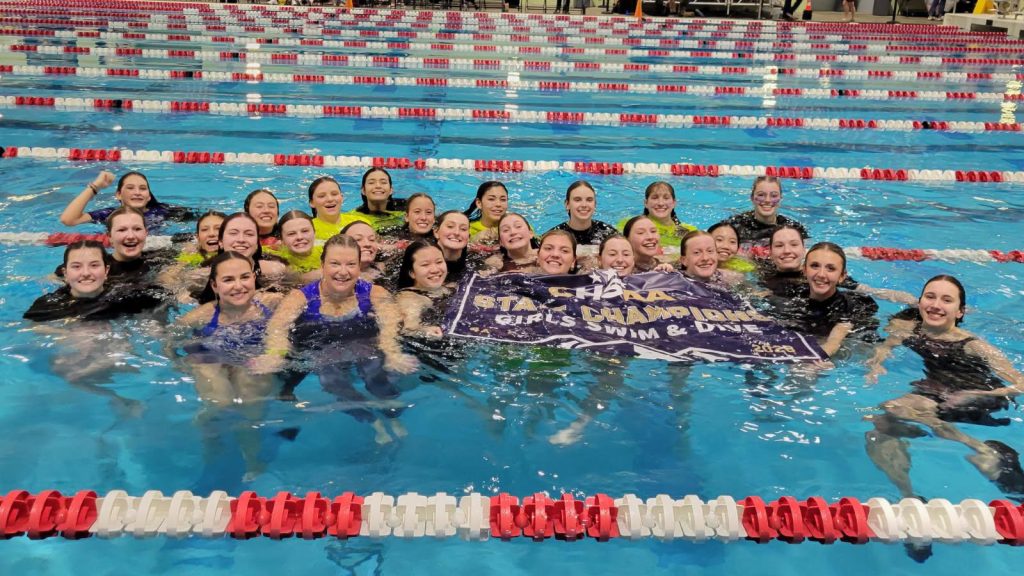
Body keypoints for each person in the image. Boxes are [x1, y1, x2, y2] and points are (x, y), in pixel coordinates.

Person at [865, 275, 1024, 504]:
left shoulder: (974, 345)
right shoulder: (909, 329)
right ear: (919, 302)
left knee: (894, 407)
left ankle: (983, 450)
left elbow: (1020, 383)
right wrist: (878, 363)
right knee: (878, 430)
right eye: (930, 297)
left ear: (960, 312)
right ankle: (910, 497)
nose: (936, 305)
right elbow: (888, 345)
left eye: (947, 300)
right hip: (938, 391)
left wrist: (978, 394)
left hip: (977, 395)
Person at [251, 235, 417, 444]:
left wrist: (392, 353)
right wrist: (274, 354)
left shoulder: (374, 293)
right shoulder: (301, 297)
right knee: (331, 381)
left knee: (376, 376)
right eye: (335, 264)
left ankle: (392, 418)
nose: (343, 271)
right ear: (322, 265)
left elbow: (391, 324)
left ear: (359, 267)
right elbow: (277, 326)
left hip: (364, 345)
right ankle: (372, 420)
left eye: (350, 264)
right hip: (323, 348)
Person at [175, 251, 283, 482]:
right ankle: (207, 425)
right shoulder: (200, 316)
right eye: (228, 280)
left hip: (249, 354)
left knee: (251, 402)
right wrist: (181, 366)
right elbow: (169, 343)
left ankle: (252, 456)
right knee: (220, 401)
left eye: (245, 277)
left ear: (255, 277)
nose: (238, 286)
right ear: (214, 285)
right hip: (209, 355)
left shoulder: (272, 303)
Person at [25, 240, 167, 409]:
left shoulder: (126, 295)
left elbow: (162, 300)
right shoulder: (50, 304)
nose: (86, 273)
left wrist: (155, 326)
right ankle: (113, 395)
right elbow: (33, 327)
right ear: (65, 273)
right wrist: (66, 334)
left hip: (122, 350)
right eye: (76, 267)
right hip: (79, 358)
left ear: (106, 270)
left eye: (94, 265)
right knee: (70, 359)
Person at [765, 242, 878, 357]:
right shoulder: (793, 295)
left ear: (842, 276)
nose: (821, 274)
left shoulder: (848, 306)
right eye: (814, 266)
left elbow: (832, 344)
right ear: (804, 270)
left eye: (831, 268)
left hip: (853, 338)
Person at [59, 170, 192, 232]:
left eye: (143, 188)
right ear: (118, 195)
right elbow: (68, 220)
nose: (137, 192)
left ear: (149, 196)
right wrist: (96, 186)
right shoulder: (109, 214)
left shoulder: (163, 210)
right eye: (130, 188)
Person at [196, 213, 287, 304]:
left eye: (249, 234)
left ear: (257, 243)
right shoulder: (201, 276)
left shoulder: (276, 269)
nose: (241, 239)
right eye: (233, 233)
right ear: (220, 241)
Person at [714, 176, 809, 251]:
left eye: (774, 195)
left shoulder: (794, 228)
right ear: (752, 198)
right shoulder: (735, 225)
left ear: (780, 199)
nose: (767, 200)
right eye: (761, 195)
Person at [158, 210, 226, 302]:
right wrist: (181, 291)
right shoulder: (192, 254)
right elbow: (166, 276)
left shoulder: (236, 254)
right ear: (198, 237)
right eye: (205, 230)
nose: (211, 234)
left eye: (218, 228)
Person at [394, 241, 451, 339]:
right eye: (425, 265)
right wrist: (425, 331)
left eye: (439, 262)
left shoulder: (450, 287)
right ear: (412, 273)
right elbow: (408, 329)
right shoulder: (410, 298)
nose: (435, 270)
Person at [617, 181, 697, 249]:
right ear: (646, 203)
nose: (660, 203)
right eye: (655, 198)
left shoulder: (688, 231)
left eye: (666, 198)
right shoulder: (628, 225)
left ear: (674, 203)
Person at [548, 181, 617, 246]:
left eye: (589, 200)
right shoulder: (553, 237)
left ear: (595, 205)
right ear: (567, 204)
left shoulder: (607, 232)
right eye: (577, 200)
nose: (584, 205)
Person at [265, 211, 322, 284]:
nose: (299, 237)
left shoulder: (326, 251)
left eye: (305, 231)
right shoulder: (275, 259)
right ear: (282, 240)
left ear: (314, 233)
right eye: (291, 234)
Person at [677, 230, 745, 290]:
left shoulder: (731, 278)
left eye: (710, 251)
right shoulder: (674, 280)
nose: (705, 258)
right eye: (697, 252)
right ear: (684, 260)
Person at [347, 168, 407, 233]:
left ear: (391, 190)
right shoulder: (354, 216)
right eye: (371, 183)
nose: (378, 186)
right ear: (363, 190)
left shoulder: (406, 207)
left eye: (383, 182)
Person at [307, 176, 365, 242]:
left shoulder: (360, 222)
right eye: (322, 196)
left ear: (342, 198)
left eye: (334, 194)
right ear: (312, 203)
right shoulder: (307, 230)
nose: (330, 199)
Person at [433, 210, 482, 283]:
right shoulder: (420, 258)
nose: (456, 232)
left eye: (463, 229)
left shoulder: (475, 261)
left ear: (468, 237)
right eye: (450, 226)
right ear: (436, 232)